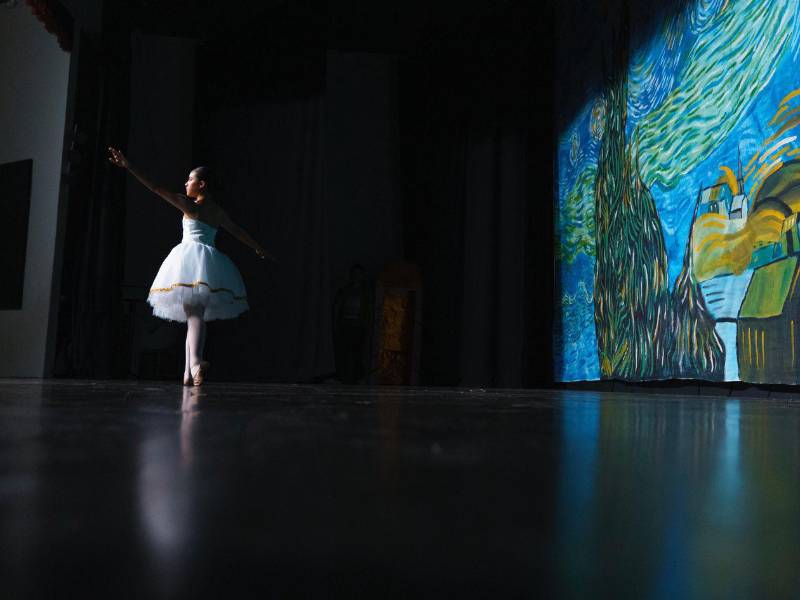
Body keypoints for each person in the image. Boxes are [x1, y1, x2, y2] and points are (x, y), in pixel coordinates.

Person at [107, 147, 275, 386]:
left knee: (194, 315)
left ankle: (195, 363)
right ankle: (187, 373)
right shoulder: (217, 212)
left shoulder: (190, 205)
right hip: (209, 262)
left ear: (202, 184)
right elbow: (237, 231)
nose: (186, 183)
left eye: (190, 179)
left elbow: (156, 188)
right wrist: (258, 248)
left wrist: (129, 166)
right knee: (196, 317)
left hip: (189, 260)